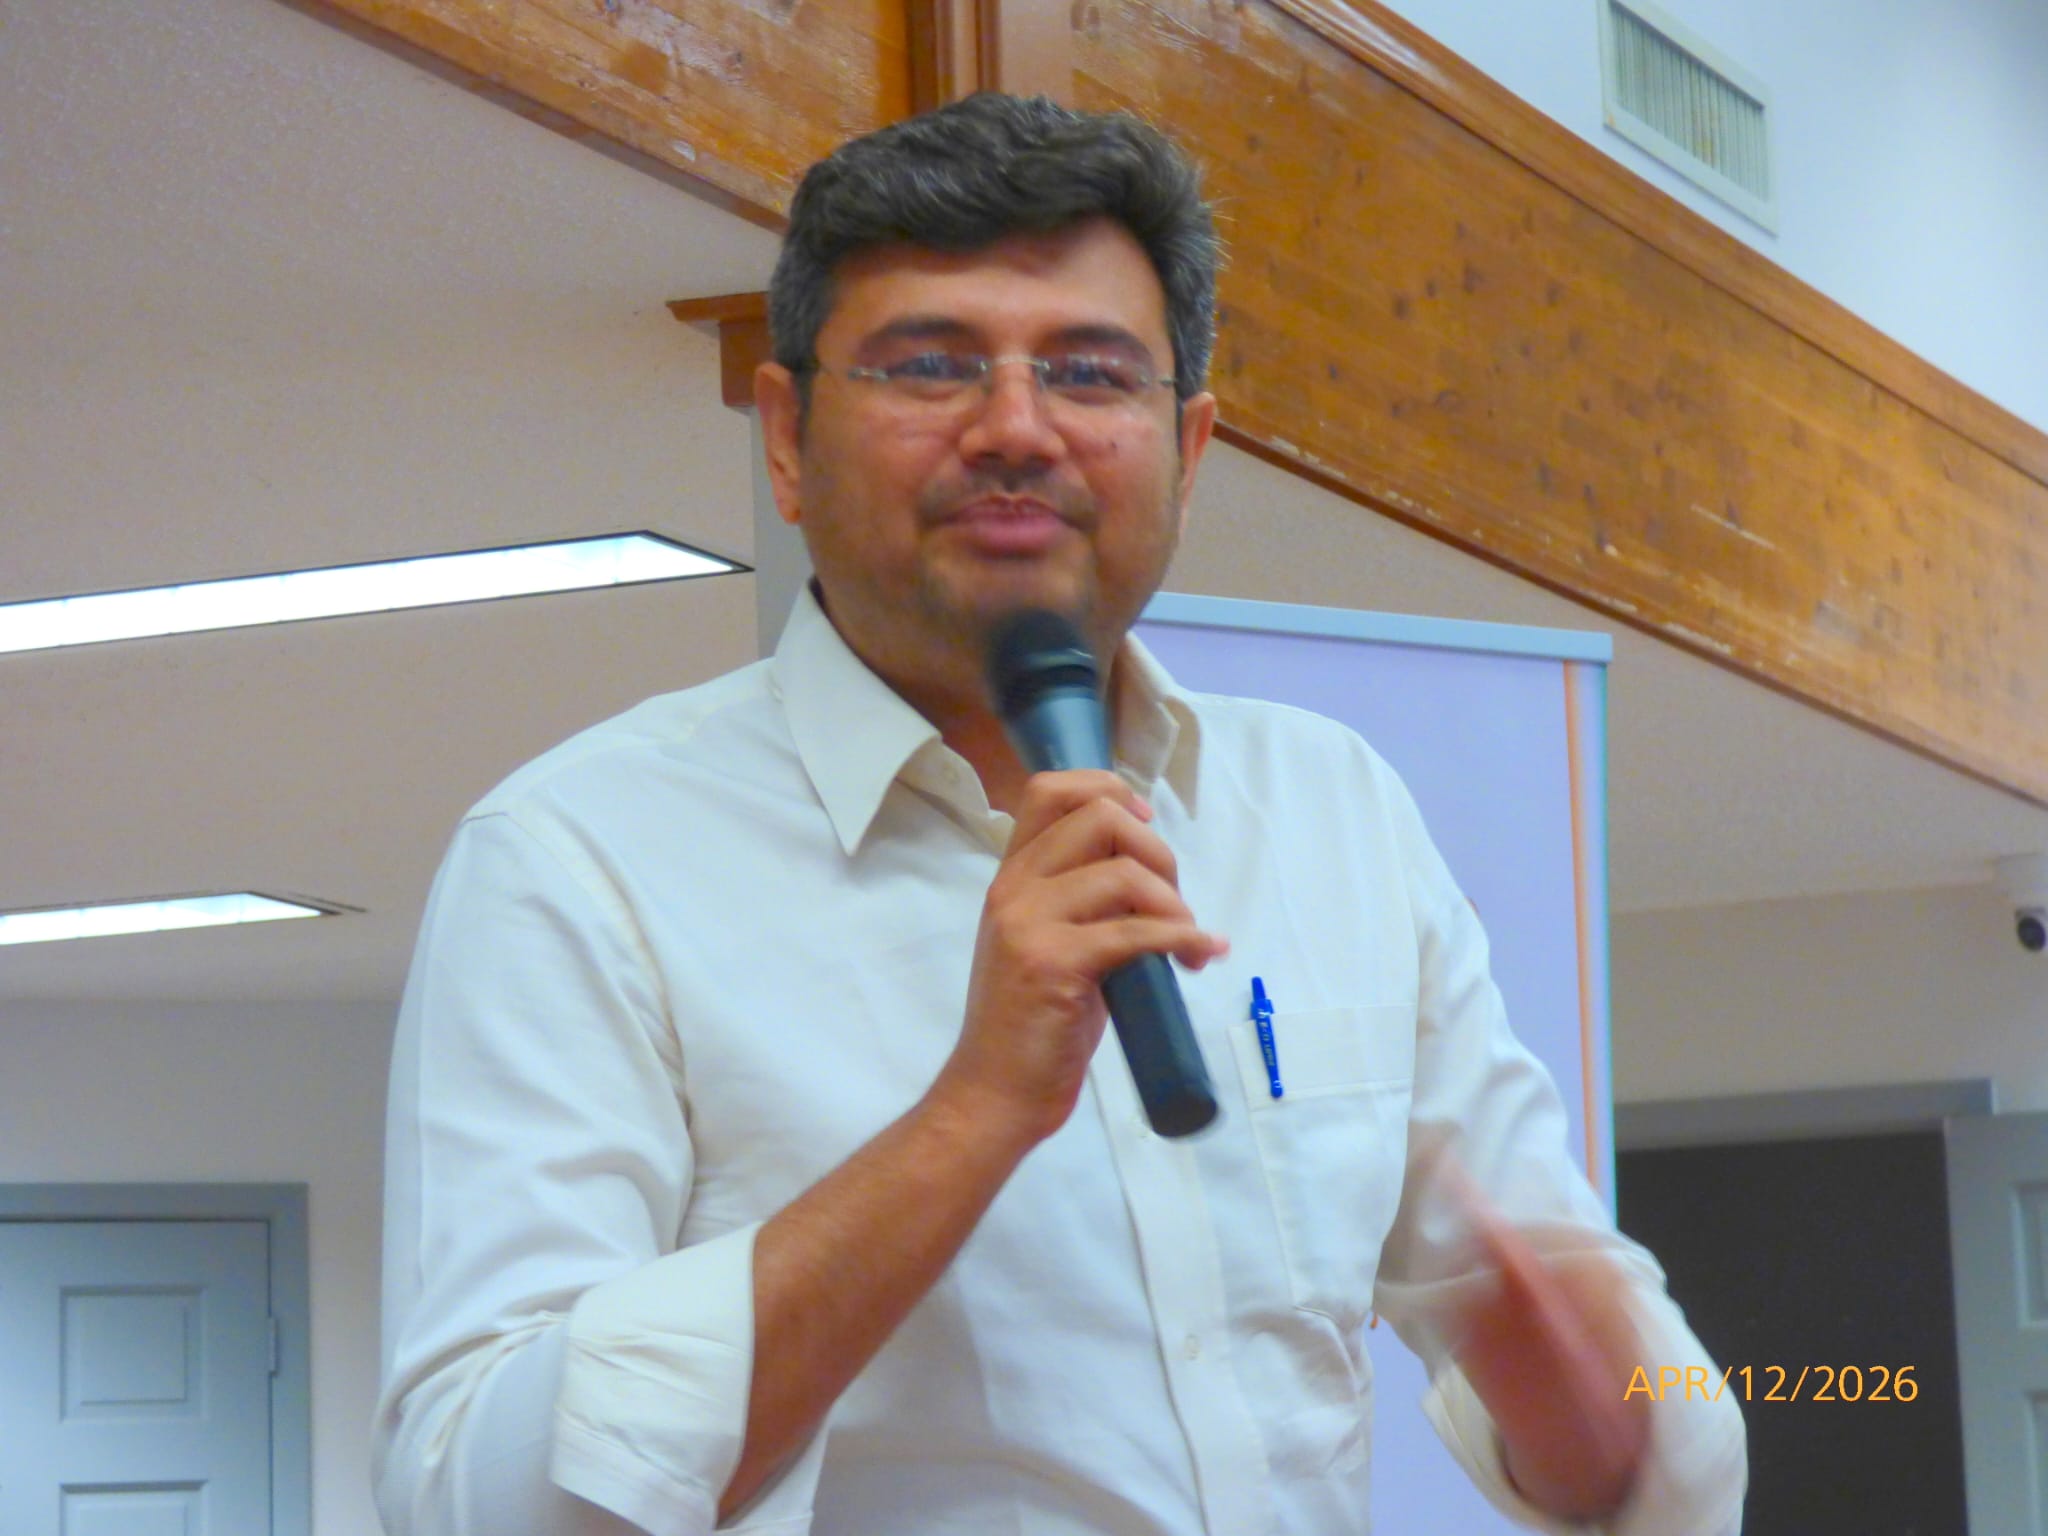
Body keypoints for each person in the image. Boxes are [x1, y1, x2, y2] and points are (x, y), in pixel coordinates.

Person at [374, 93, 1745, 1535]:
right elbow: (472, 1494)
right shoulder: (579, 860)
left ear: (1188, 449)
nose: (1016, 429)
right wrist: (971, 1118)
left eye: (1091, 374)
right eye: (930, 365)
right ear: (786, 437)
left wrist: (1615, 1430)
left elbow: (1624, 1371)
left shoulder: (1329, 806)